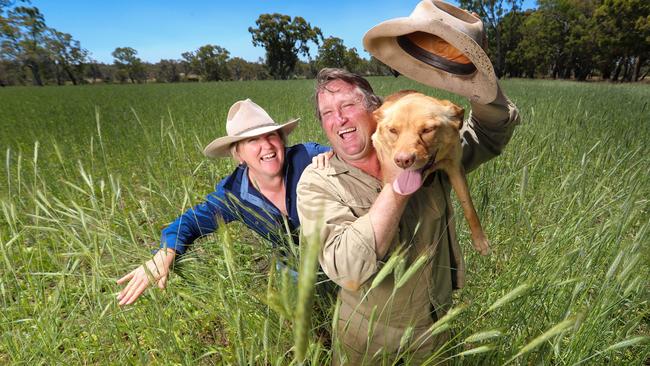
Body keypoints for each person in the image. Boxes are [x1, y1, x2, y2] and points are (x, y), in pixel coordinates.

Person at [296, 3, 520, 363]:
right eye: (327, 114)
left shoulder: (429, 153)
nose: (339, 120)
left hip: (435, 326)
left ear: (375, 111)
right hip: (364, 337)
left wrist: (475, 80)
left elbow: (492, 133)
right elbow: (348, 270)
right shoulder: (317, 181)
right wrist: (400, 184)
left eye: (348, 107)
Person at [117, 98, 329, 306]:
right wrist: (166, 251)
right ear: (238, 154)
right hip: (293, 266)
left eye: (271, 135)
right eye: (252, 140)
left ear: (281, 140)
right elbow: (189, 223)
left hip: (339, 252)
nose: (266, 145)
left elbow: (354, 156)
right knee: (303, 315)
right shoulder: (233, 194)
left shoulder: (308, 157)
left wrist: (335, 160)